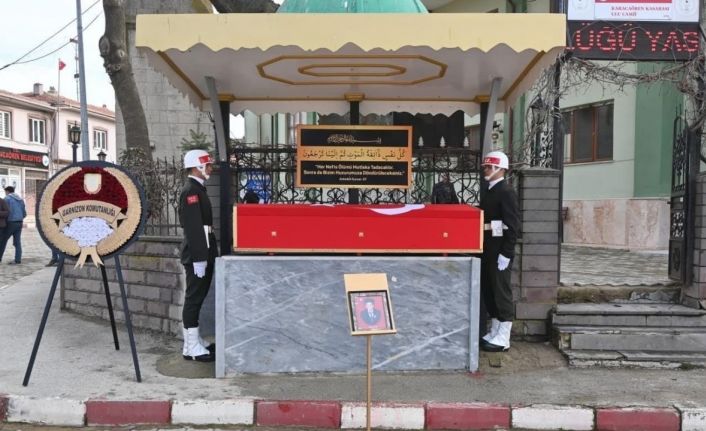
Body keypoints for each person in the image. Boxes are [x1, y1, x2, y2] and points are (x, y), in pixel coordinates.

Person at [178, 149, 218, 362]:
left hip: (203, 250)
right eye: (207, 165)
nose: (210, 168)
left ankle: (194, 341)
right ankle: (191, 347)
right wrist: (200, 258)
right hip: (197, 253)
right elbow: (194, 228)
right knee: (193, 299)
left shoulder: (198, 188)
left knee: (197, 297)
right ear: (197, 166)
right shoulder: (191, 191)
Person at [478, 151, 520, 353]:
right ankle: (495, 330)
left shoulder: (506, 192)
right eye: (485, 167)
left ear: (500, 169)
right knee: (490, 290)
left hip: (499, 250)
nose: (486, 170)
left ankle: (504, 336)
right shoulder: (490, 190)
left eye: (489, 167)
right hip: (488, 248)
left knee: (501, 292)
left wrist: (507, 253)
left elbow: (512, 226)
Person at [0, 186, 26, 265]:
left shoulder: (7, 199)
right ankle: (17, 259)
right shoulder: (20, 199)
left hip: (10, 222)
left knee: (3, 240)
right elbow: (24, 213)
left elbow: (7, 211)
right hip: (19, 222)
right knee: (17, 242)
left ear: (7, 191)